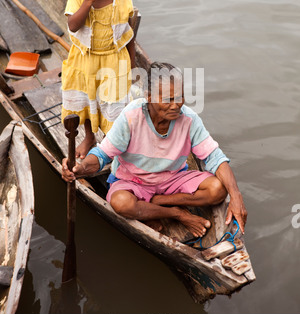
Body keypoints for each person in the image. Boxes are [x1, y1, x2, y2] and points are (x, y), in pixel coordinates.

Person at [62, 62, 247, 237]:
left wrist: (236, 196)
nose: (176, 105)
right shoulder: (131, 116)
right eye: (168, 99)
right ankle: (174, 212)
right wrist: (80, 169)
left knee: (218, 190)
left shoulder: (189, 119)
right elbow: (102, 155)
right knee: (121, 203)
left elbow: (214, 157)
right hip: (134, 181)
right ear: (148, 96)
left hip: (172, 178)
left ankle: (158, 202)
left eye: (179, 97)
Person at [61, 0, 135, 159]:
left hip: (114, 61)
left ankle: (112, 146)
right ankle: (90, 137)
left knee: (114, 106)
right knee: (86, 100)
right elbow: (73, 25)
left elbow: (128, 34)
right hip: (85, 60)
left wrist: (130, 65)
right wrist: (88, 2)